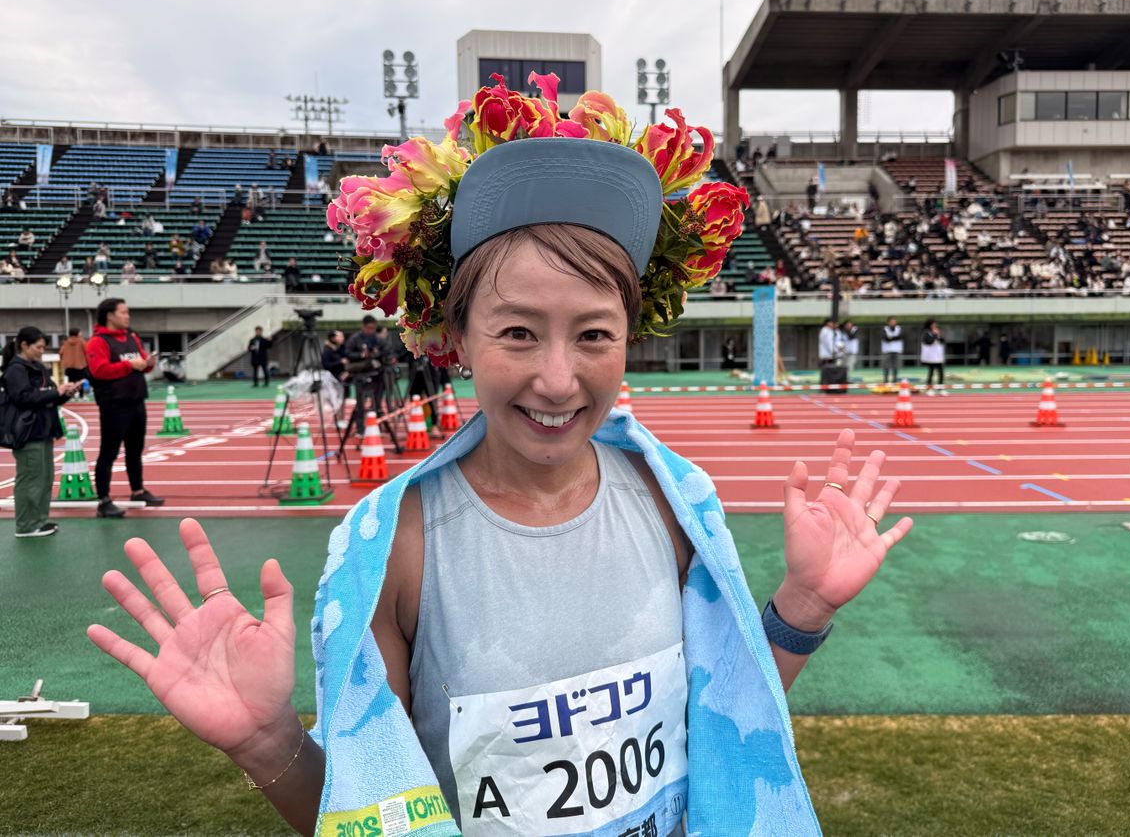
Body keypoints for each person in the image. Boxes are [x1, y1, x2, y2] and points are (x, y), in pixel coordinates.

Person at [87, 81, 912, 835]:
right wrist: (268, 742)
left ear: (631, 338)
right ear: (455, 338)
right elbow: (378, 810)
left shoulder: (672, 504)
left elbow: (726, 731)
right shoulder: (399, 546)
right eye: (517, 332)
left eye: (594, 334)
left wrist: (802, 607)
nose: (557, 379)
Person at [86, 297, 165, 518]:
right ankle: (104, 500)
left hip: (136, 400)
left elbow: (140, 364)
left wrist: (146, 364)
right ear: (109, 315)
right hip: (114, 404)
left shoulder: (131, 336)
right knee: (108, 453)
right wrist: (129, 365)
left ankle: (137, 491)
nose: (127, 316)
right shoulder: (98, 342)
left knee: (135, 450)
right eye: (123, 312)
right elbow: (99, 370)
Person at [2, 327, 78, 538]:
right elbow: (23, 397)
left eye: (44, 347)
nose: (41, 351)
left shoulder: (36, 367)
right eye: (38, 347)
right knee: (30, 478)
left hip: (43, 429)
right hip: (28, 433)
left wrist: (65, 393)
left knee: (44, 478)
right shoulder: (16, 369)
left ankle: (39, 520)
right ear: (24, 345)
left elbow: (48, 396)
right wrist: (55, 392)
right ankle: (26, 525)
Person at [921, 318, 946, 395]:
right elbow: (929, 342)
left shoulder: (937, 331)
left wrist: (939, 336)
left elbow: (942, 341)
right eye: (933, 324)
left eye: (935, 324)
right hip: (930, 357)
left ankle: (940, 389)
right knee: (931, 372)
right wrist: (935, 335)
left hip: (938, 356)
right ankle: (929, 389)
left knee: (941, 372)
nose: (934, 325)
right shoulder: (926, 333)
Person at [881, 317, 903, 384]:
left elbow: (901, 337)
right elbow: (885, 338)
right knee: (886, 366)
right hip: (887, 351)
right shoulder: (885, 329)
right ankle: (886, 381)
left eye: (894, 321)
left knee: (896, 366)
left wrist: (891, 338)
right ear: (888, 322)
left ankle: (894, 381)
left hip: (896, 350)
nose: (893, 323)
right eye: (891, 321)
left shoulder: (899, 328)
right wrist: (894, 338)